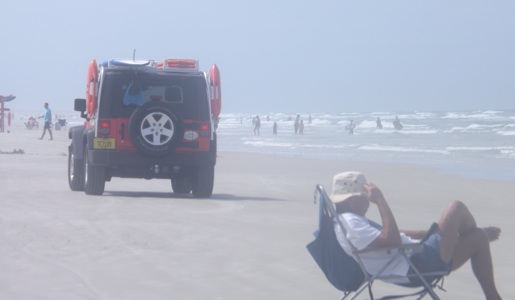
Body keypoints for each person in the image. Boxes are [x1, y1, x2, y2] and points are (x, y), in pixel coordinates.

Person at [330, 171, 502, 300]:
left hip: (413, 260)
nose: (368, 200)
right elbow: (392, 239)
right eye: (364, 196)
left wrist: (428, 233)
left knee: (478, 237)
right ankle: (462, 236)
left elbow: (390, 235)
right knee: (455, 208)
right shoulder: (350, 224)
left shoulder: (349, 221)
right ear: (350, 200)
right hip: (416, 266)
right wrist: (380, 199)